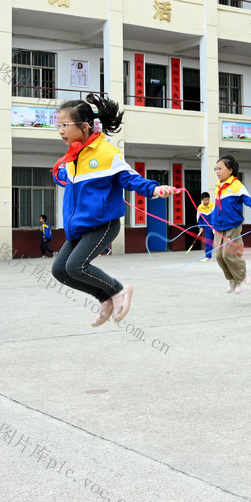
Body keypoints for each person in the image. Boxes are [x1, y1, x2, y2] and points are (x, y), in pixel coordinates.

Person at [51, 93, 175, 327]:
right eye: (58, 125)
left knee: (76, 266)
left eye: (64, 125)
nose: (60, 130)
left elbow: (130, 179)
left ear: (85, 126)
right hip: (79, 228)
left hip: (103, 225)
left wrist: (155, 189)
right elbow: (63, 179)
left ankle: (119, 290)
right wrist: (58, 169)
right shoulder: (72, 157)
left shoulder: (107, 154)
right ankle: (105, 299)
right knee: (60, 271)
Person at [207, 155, 251, 293]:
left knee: (229, 255)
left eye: (220, 168)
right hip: (219, 227)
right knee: (219, 256)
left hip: (232, 226)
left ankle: (242, 278)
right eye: (216, 169)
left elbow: (249, 201)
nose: (217, 171)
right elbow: (217, 207)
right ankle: (232, 279)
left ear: (230, 170)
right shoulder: (218, 186)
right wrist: (212, 223)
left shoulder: (237, 186)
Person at [196, 192, 215, 262]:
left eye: (208, 200)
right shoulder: (200, 207)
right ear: (202, 200)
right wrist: (200, 227)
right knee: (208, 242)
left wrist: (215, 227)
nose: (206, 201)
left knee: (220, 241)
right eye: (205, 200)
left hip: (215, 227)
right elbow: (199, 219)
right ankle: (208, 257)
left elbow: (216, 217)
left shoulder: (213, 206)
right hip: (207, 228)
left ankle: (224, 257)